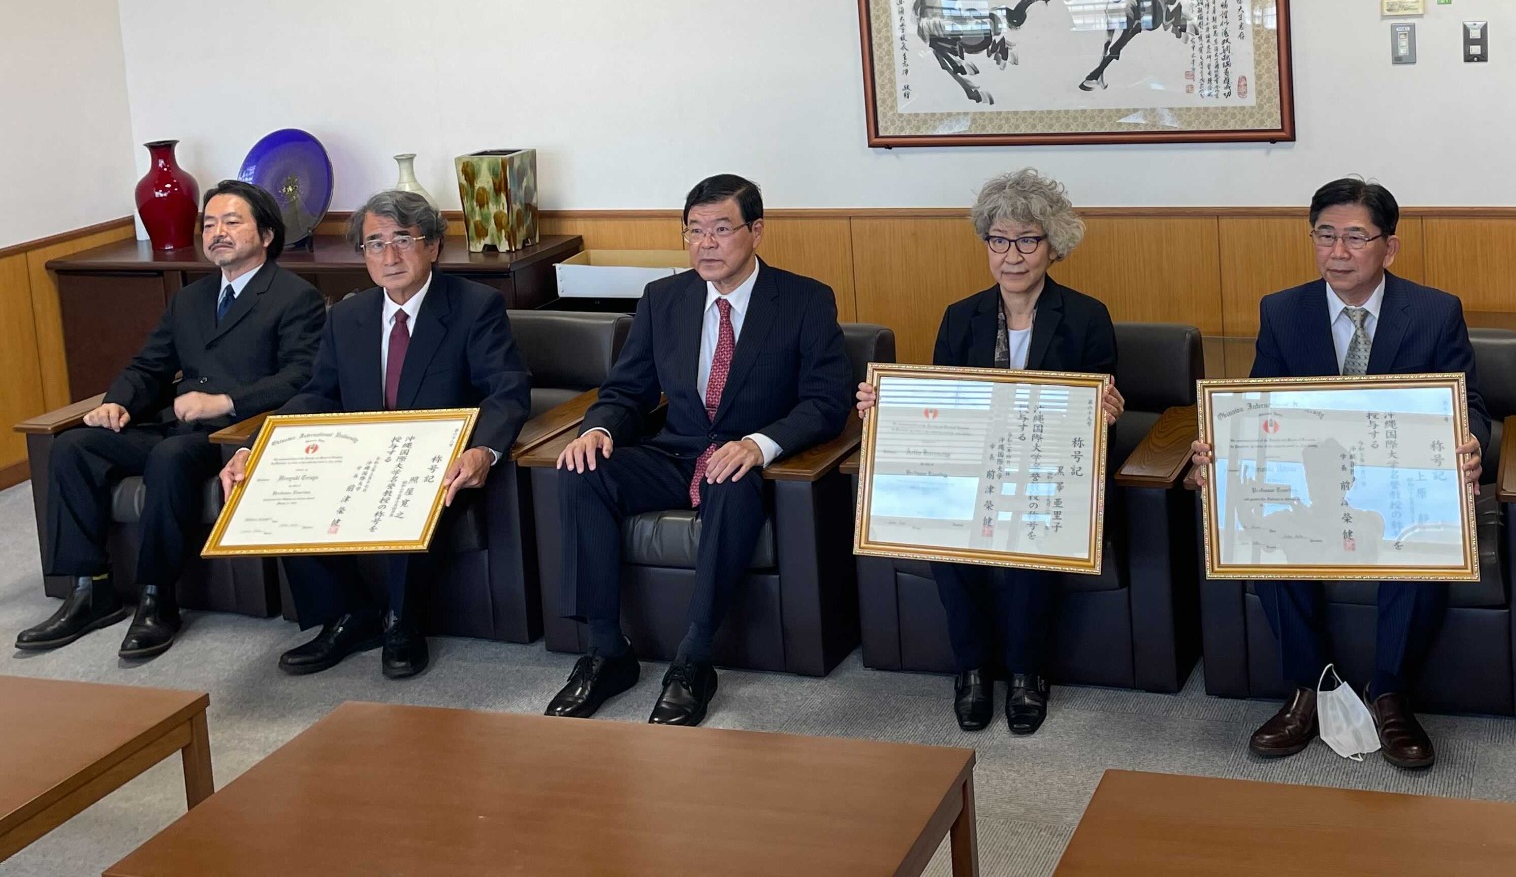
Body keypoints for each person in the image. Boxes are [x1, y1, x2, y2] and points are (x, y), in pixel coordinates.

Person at [1190, 177, 1485, 770]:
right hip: (1313, 479)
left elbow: (1467, 401)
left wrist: (1471, 440)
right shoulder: (1283, 311)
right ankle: (1311, 688)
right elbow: (1261, 404)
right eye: (1325, 236)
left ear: (1388, 248)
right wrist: (1221, 450)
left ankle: (1391, 693)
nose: (1338, 252)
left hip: (1395, 478)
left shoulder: (1435, 312)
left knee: (1417, 536)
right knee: (1271, 532)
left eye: (1355, 237)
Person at [545, 174, 852, 727]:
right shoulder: (664, 299)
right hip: (675, 451)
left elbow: (826, 402)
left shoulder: (805, 300)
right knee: (583, 470)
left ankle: (694, 659)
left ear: (756, 231)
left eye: (721, 230)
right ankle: (606, 651)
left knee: (728, 478)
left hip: (746, 461)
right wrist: (600, 430)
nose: (706, 244)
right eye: (694, 231)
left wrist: (759, 444)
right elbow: (628, 390)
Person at [854, 169, 1124, 735]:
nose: (1012, 256)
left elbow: (1095, 410)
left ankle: (1027, 672)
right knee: (945, 530)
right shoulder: (961, 316)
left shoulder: (1086, 316)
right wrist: (888, 406)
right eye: (999, 241)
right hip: (973, 473)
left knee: (1028, 528)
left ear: (1053, 246)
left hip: (1050, 475)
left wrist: (1105, 410)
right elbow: (942, 405)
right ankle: (973, 668)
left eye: (1027, 241)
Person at [220, 189, 529, 680]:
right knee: (279, 482)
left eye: (403, 240)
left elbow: (507, 391)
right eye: (375, 243)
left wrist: (482, 452)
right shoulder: (347, 316)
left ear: (433, 246)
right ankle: (348, 617)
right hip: (360, 456)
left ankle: (402, 621)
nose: (389, 256)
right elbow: (318, 395)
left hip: (438, 462)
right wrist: (255, 447)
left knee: (403, 489)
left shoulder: (475, 307)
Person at [17, 181, 322, 661]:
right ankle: (90, 589)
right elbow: (149, 367)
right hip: (175, 425)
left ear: (266, 235)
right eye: (209, 224)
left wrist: (224, 401)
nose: (217, 232)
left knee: (170, 455)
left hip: (232, 435)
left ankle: (158, 598)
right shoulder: (191, 298)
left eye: (232, 222)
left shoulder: (294, 297)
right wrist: (117, 403)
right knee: (75, 445)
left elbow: (301, 376)